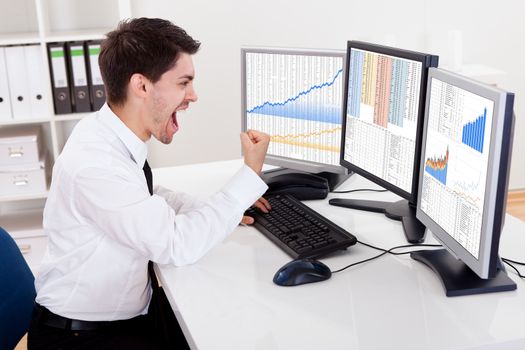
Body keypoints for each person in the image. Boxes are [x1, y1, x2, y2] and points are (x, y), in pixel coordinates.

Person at [28, 17, 270, 349]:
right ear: (142, 86)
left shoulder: (108, 132)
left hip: (122, 317)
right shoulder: (97, 163)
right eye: (184, 83)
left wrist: (220, 207)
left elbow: (146, 194)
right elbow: (176, 246)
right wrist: (248, 176)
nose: (193, 96)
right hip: (82, 336)